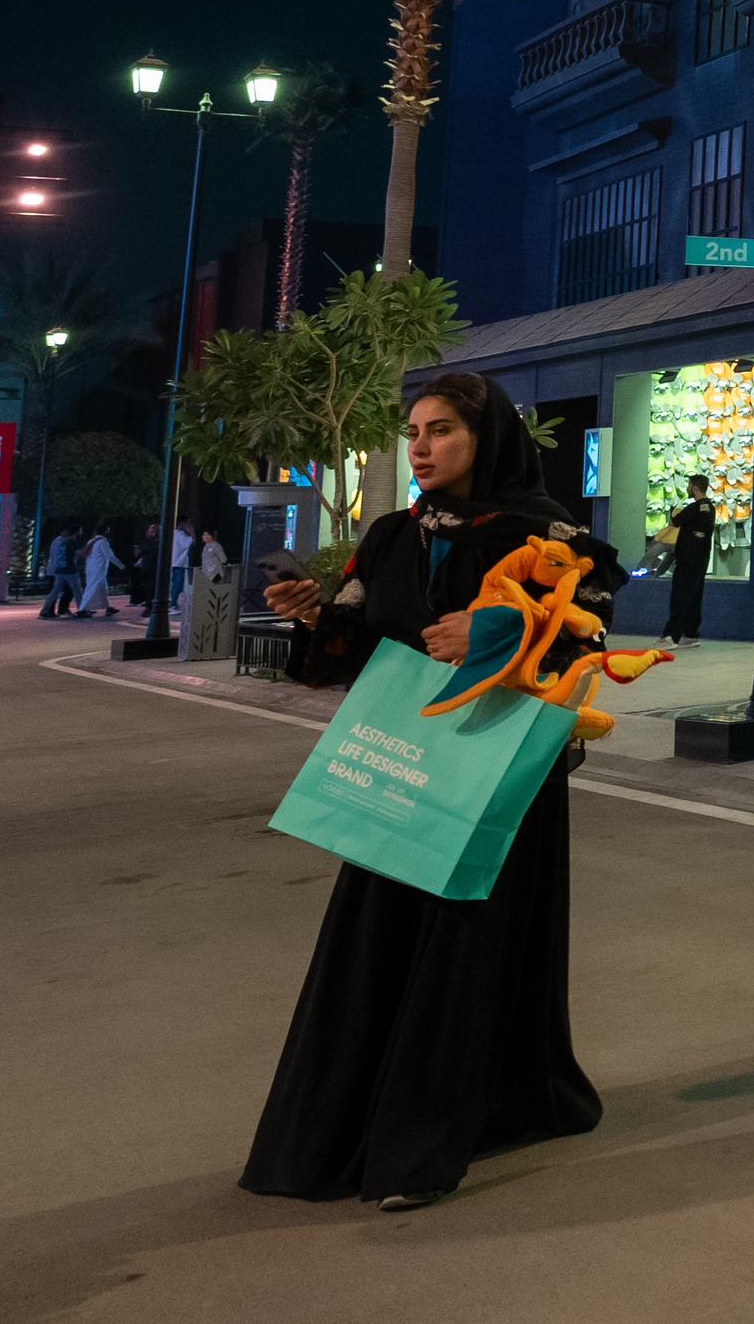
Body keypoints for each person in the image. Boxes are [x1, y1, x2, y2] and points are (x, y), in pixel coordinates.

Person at [243, 377, 618, 1207]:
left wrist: (496, 634)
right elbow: (349, 648)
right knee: (375, 945)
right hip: (402, 767)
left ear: (484, 440)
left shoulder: (546, 532)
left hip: (498, 773)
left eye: (441, 430)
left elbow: (585, 633)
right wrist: (314, 618)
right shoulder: (389, 539)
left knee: (470, 947)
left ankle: (424, 1143)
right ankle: (355, 1128)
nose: (420, 446)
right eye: (414, 430)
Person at [663, 476, 716, 646]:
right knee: (694, 597)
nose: (687, 488)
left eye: (688, 486)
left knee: (680, 597)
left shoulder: (692, 508)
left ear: (694, 488)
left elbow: (673, 522)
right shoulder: (711, 509)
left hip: (686, 561)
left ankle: (671, 636)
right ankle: (691, 635)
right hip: (701, 561)